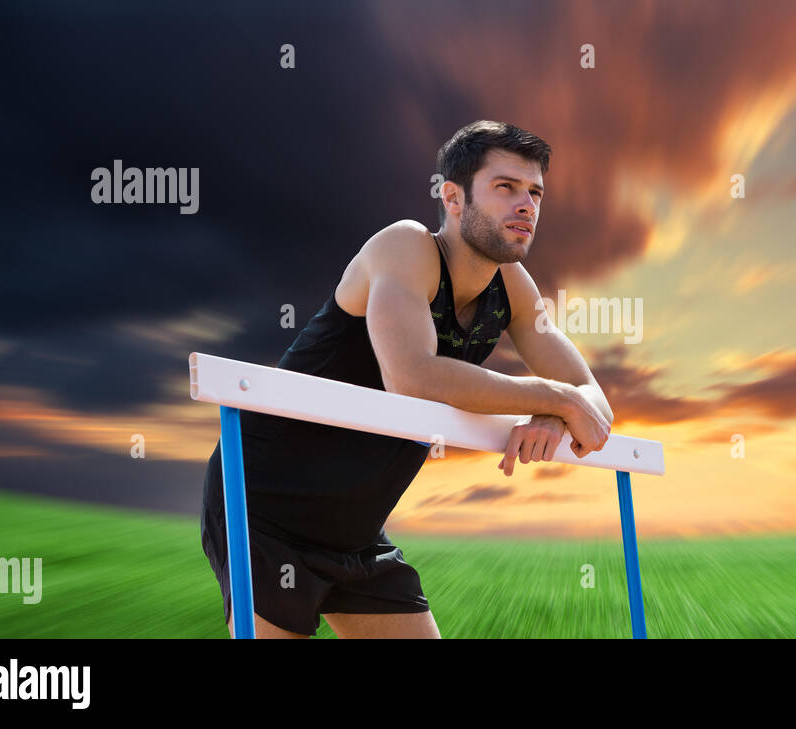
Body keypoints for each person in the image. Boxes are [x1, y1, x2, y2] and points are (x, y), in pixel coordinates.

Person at [201, 120, 614, 638]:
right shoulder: (406, 247)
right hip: (263, 505)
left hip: (354, 528)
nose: (526, 205)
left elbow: (594, 402)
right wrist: (553, 396)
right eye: (505, 187)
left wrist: (555, 414)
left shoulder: (515, 289)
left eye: (535, 192)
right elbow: (412, 377)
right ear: (453, 197)